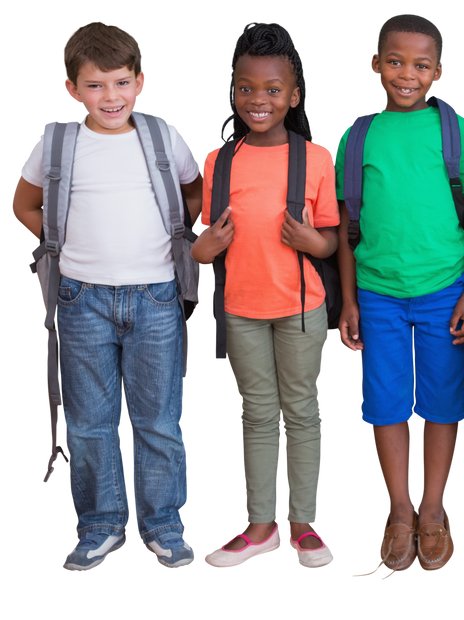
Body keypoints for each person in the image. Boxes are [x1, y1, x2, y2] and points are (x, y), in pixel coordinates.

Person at [11, 19, 201, 573]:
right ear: (72, 90)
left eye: (120, 83)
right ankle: (99, 526)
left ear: (140, 82)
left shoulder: (164, 134)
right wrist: (58, 243)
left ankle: (164, 524)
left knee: (159, 418)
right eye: (95, 86)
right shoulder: (56, 139)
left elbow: (193, 196)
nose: (109, 97)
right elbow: (23, 204)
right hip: (80, 298)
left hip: (157, 297)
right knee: (90, 421)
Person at [336, 11, 464, 581]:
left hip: (444, 290)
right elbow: (348, 226)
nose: (407, 74)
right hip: (377, 295)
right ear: (374, 64)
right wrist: (349, 301)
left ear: (439, 72)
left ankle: (433, 509)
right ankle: (397, 510)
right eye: (395, 61)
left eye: (420, 65)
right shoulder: (355, 134)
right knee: (385, 404)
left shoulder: (459, 130)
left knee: (444, 403)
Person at [195, 20, 339, 571]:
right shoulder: (218, 160)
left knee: (302, 411)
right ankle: (261, 526)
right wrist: (202, 251)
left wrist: (313, 240)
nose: (259, 99)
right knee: (255, 414)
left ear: (294, 95)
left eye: (273, 89)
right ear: (234, 92)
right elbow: (207, 239)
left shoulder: (317, 158)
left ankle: (304, 525)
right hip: (241, 310)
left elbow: (331, 239)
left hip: (302, 310)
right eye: (246, 88)